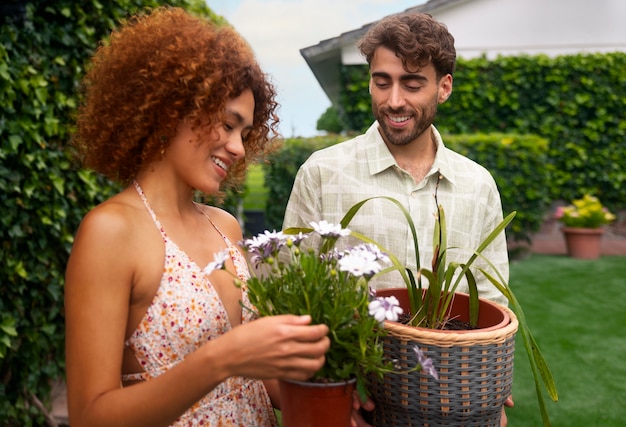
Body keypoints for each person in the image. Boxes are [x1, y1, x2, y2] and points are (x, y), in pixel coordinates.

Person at [64, 7, 330, 427]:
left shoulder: (224, 226)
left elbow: (256, 381)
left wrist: (331, 397)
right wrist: (222, 358)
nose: (239, 147)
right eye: (227, 124)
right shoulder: (111, 232)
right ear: (172, 108)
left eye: (244, 132)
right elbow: (89, 415)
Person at [283, 11, 513, 426]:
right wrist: (328, 392)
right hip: (350, 399)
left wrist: (490, 387)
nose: (393, 101)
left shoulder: (477, 185)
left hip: (448, 401)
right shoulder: (322, 172)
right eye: (382, 81)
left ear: (444, 87)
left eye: (412, 83)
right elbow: (289, 295)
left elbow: (490, 302)